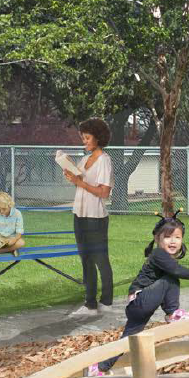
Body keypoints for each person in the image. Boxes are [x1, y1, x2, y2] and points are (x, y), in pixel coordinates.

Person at [91, 211, 189, 376]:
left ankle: (100, 367)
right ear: (158, 239)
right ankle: (172, 314)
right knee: (170, 278)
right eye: (167, 237)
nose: (173, 241)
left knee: (127, 340)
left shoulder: (164, 257)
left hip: (139, 306)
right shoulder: (159, 254)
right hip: (141, 300)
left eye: (177, 237)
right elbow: (176, 270)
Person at [65, 118, 115, 317]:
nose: (84, 141)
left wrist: (80, 183)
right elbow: (80, 182)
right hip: (80, 214)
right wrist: (72, 177)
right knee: (85, 258)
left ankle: (107, 302)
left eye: (87, 137)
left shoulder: (104, 160)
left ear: (98, 137)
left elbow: (104, 192)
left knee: (100, 259)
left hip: (96, 217)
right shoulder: (84, 160)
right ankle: (90, 304)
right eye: (83, 138)